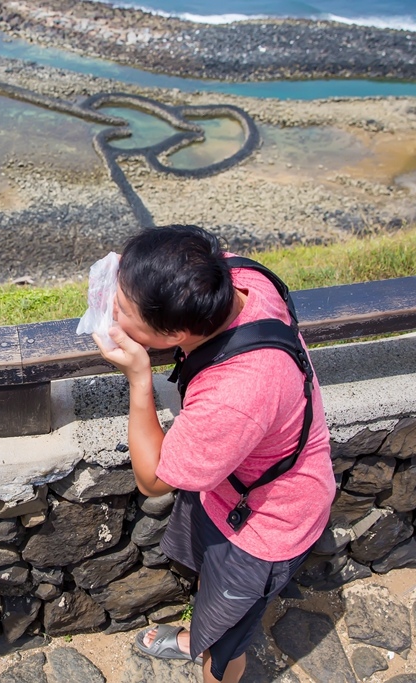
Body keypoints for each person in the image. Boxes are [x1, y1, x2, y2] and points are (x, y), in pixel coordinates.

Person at [92, 225, 335, 683]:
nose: (111, 312)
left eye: (122, 309)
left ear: (176, 333)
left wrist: (139, 378)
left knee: (224, 647)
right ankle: (194, 636)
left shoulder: (235, 395)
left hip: (264, 526)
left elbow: (154, 479)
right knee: (210, 590)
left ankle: (208, 656)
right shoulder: (228, 275)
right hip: (231, 484)